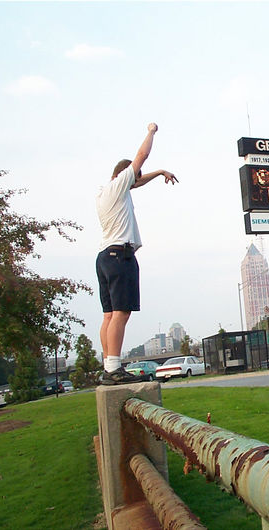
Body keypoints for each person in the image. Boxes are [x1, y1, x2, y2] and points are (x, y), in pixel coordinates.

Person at [95, 122, 178, 384]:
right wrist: (151, 131)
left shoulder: (106, 193)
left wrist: (160, 172)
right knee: (121, 313)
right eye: (134, 176)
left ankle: (108, 366)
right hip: (121, 256)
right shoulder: (120, 185)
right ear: (123, 175)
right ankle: (114, 369)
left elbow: (138, 181)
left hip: (104, 257)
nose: (136, 181)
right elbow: (140, 157)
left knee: (109, 315)